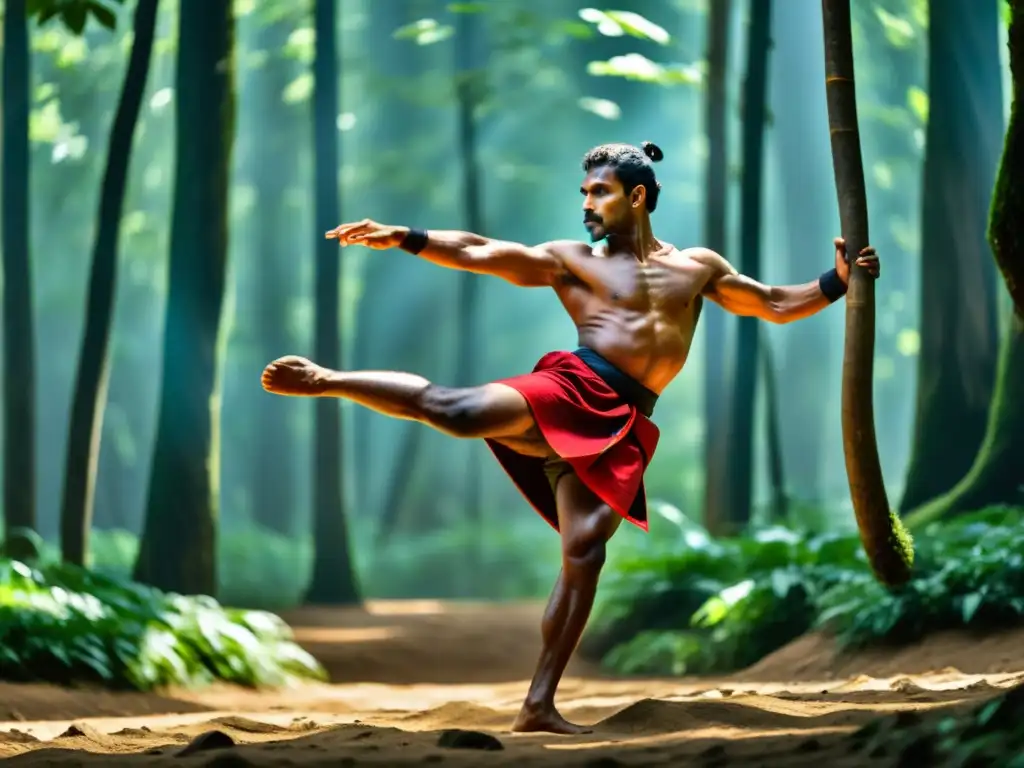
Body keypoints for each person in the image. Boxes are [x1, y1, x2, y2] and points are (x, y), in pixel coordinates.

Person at [261, 141, 880, 734]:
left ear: (637, 197)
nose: (586, 203)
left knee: (584, 555)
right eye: (583, 191)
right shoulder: (570, 260)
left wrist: (836, 282)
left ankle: (538, 704)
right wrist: (407, 237)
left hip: (625, 423)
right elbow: (480, 250)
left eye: (600, 192)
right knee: (456, 411)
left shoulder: (697, 268)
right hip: (572, 386)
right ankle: (327, 379)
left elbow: (770, 302)